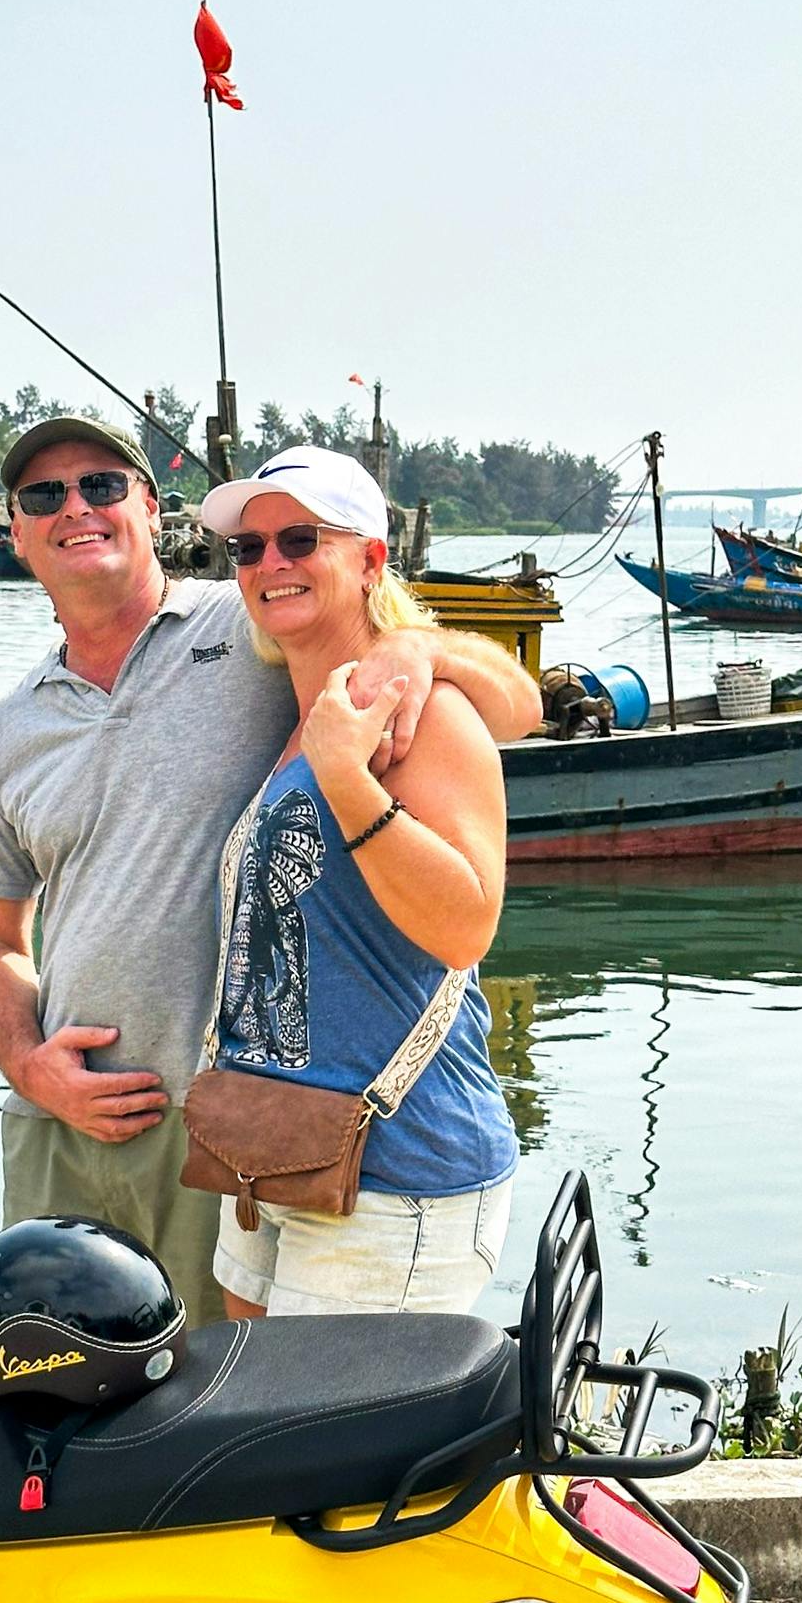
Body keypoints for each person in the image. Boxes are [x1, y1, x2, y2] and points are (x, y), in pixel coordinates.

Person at [0, 414, 540, 1324]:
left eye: (102, 486)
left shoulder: (260, 631)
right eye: (44, 497)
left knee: (247, 1416)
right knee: (64, 1385)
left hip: (256, 1128)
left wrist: (419, 646)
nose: (76, 508)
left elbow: (515, 706)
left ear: (150, 509)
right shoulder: (3, 731)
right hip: (100, 1129)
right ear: (19, 532)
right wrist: (30, 1065)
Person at [197, 447, 516, 1319]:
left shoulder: (423, 718)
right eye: (248, 549)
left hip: (394, 1175)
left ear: (371, 559)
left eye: (300, 539)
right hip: (277, 1152)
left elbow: (465, 926)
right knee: (259, 1440)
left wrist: (346, 778)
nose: (271, 565)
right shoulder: (302, 715)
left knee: (331, 1452)